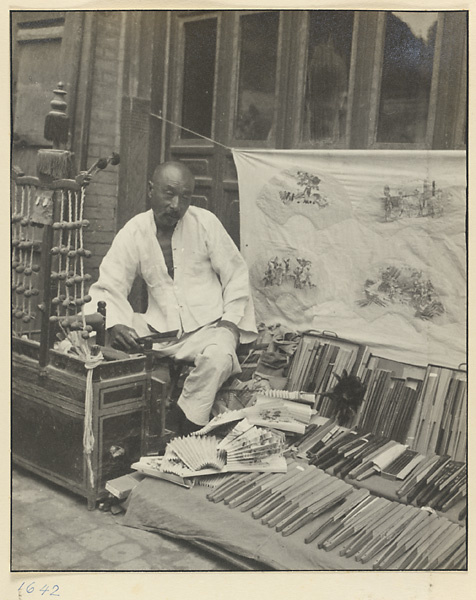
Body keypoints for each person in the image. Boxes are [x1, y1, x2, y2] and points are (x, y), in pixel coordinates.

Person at [87, 161, 257, 433]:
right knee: (106, 332)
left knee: (219, 358)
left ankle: (184, 423)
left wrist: (230, 322)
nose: (176, 204)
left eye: (185, 197)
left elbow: (236, 274)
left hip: (211, 326)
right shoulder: (134, 232)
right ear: (151, 190)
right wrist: (116, 323)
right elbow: (110, 284)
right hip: (161, 331)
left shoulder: (205, 223)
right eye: (169, 193)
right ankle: (129, 423)